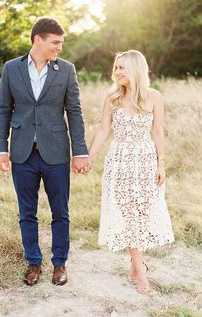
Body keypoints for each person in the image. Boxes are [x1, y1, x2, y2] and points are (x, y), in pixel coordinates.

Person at [0, 17, 90, 287]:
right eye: (55, 42)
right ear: (38, 39)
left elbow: (74, 111)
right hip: (22, 153)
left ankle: (59, 263)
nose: (59, 47)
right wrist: (2, 149)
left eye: (61, 43)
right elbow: (4, 110)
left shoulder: (67, 70)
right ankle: (33, 262)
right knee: (27, 212)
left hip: (57, 153)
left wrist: (80, 151)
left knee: (60, 211)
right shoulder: (11, 69)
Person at [88, 50, 174, 294]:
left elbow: (158, 132)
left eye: (122, 68)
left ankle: (135, 265)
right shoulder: (113, 97)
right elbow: (104, 129)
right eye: (115, 67)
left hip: (145, 160)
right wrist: (89, 156)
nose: (116, 72)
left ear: (135, 69)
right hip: (120, 162)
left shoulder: (154, 97)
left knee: (142, 213)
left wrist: (161, 164)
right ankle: (141, 269)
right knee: (128, 214)